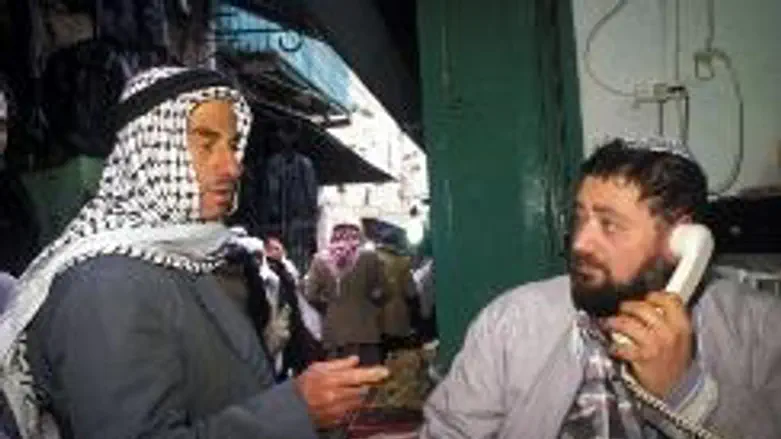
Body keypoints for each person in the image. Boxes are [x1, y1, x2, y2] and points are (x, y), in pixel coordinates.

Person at [0, 66, 388, 439]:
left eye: (233, 145)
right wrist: (295, 409)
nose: (233, 167)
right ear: (150, 154)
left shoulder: (188, 258)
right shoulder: (108, 285)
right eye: (205, 144)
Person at [420, 138, 781, 438]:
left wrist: (687, 393)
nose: (580, 243)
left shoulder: (760, 328)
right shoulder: (511, 323)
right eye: (580, 218)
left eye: (609, 224)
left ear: (682, 239)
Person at [305, 219, 385, 366]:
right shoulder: (370, 257)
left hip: (334, 332)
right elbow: (381, 290)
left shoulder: (319, 260)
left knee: (339, 381)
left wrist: (329, 305)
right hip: (365, 330)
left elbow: (310, 295)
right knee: (368, 379)